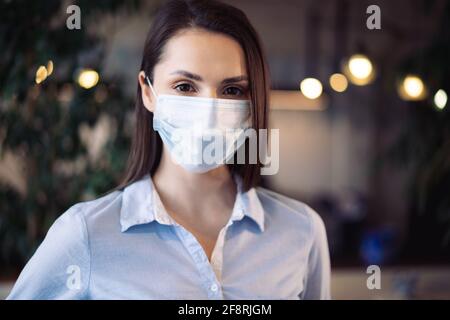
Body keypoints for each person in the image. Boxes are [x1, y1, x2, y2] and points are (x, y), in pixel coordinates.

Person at [7, 0, 330, 300]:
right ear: (148, 92)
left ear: (253, 101)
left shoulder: (301, 230)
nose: (209, 112)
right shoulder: (85, 234)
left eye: (232, 90)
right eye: (185, 87)